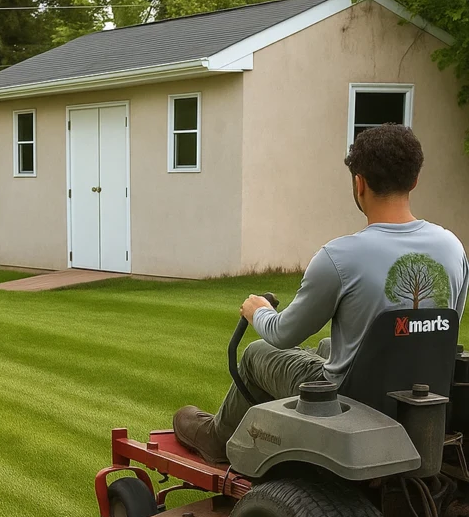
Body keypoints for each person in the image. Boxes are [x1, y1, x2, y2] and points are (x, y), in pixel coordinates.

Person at [174, 123, 469, 464]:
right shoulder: (452, 248)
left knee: (256, 353)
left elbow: (283, 335)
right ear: (414, 180)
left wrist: (258, 311)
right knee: (328, 346)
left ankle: (216, 438)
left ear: (359, 183)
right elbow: (439, 330)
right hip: (424, 395)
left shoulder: (339, 257)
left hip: (345, 402)